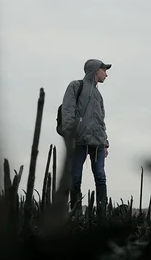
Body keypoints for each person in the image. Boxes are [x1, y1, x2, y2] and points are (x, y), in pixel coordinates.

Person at [61, 58, 111, 219]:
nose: (106, 74)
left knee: (101, 178)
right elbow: (68, 111)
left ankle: (102, 214)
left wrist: (105, 143)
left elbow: (100, 120)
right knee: (75, 178)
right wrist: (70, 135)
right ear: (96, 70)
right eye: (104, 70)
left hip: (98, 144)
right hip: (79, 141)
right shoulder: (76, 86)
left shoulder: (99, 95)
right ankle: (76, 214)